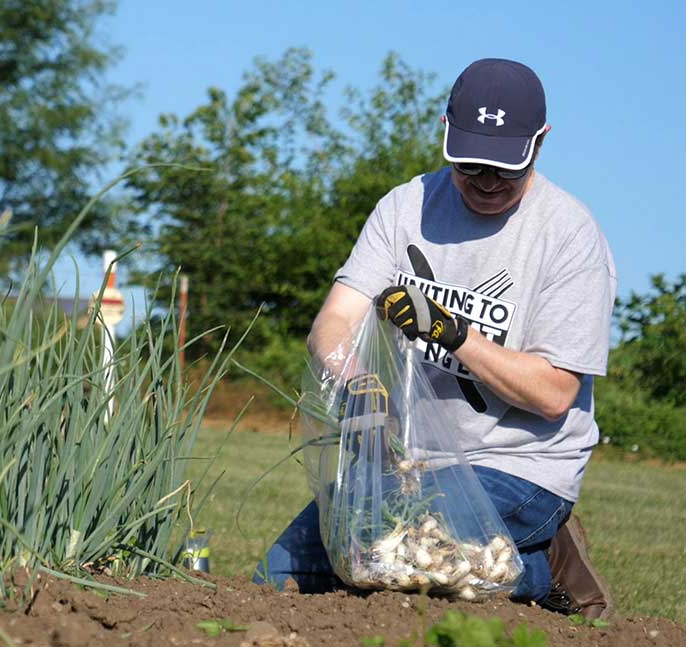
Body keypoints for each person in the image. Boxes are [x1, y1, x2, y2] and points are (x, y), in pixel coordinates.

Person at [252, 58, 616, 620]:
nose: (487, 182)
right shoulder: (405, 207)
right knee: (275, 577)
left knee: (400, 559)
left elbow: (553, 395)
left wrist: (450, 332)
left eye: (505, 168)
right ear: (446, 131)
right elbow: (333, 324)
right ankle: (514, 557)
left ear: (540, 143)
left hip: (517, 464)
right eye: (470, 166)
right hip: (408, 464)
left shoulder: (570, 235)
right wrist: (357, 383)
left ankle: (543, 566)